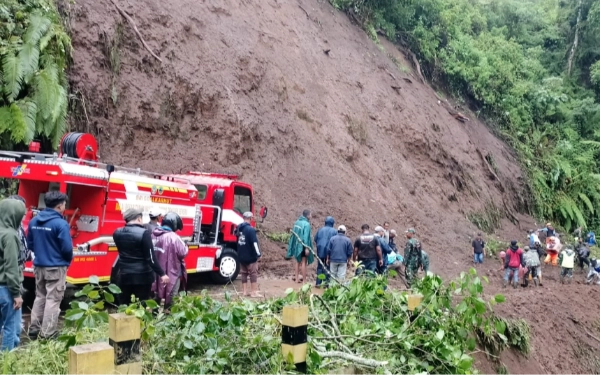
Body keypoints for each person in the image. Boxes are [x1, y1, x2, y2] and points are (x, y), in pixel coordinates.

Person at [27, 191, 73, 340]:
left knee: (40, 296)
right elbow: (67, 249)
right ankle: (48, 333)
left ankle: (34, 328)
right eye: (64, 204)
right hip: (56, 267)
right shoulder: (60, 223)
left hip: (39, 266)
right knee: (53, 299)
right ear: (60, 206)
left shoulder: (34, 221)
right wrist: (66, 261)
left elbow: (30, 244)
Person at [113, 209, 169, 304]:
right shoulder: (144, 233)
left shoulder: (117, 233)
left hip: (124, 274)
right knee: (141, 303)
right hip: (142, 276)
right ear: (139, 219)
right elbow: (150, 258)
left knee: (124, 302)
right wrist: (162, 274)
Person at [0, 198, 26, 351]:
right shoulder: (9, 235)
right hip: (5, 289)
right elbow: (11, 267)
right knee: (11, 328)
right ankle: (6, 363)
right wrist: (16, 294)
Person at [151, 212, 188, 306]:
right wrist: (186, 245)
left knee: (155, 296)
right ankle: (170, 317)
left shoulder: (153, 234)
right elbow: (183, 252)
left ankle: (155, 316)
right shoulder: (174, 237)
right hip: (172, 273)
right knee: (172, 297)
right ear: (174, 224)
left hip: (156, 272)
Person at [236, 212, 262, 297]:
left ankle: (244, 292)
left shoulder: (239, 228)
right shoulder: (251, 229)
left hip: (241, 254)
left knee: (243, 273)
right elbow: (254, 243)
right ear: (250, 218)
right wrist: (258, 254)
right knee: (253, 273)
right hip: (250, 256)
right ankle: (253, 292)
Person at [286, 210, 314, 284]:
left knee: (297, 261)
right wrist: (307, 248)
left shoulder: (297, 222)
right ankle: (304, 280)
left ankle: (296, 279)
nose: (311, 216)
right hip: (303, 245)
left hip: (296, 244)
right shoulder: (307, 224)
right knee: (304, 262)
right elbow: (305, 237)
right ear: (307, 216)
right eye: (310, 215)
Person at [314, 216, 337, 287]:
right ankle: (326, 284)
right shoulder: (334, 231)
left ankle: (318, 283)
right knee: (328, 267)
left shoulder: (320, 230)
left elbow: (315, 239)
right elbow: (335, 242)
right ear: (332, 223)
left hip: (320, 250)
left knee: (320, 266)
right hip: (329, 252)